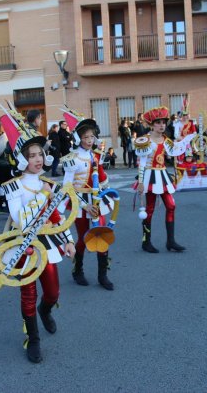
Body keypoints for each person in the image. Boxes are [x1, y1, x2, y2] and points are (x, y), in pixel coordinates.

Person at [0, 115, 76, 363]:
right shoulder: (13, 187)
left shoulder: (46, 183)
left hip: (48, 243)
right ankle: (33, 338)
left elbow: (55, 214)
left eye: (39, 153)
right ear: (22, 159)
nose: (38, 159)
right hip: (25, 246)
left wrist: (68, 240)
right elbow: (21, 220)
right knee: (28, 294)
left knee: (52, 291)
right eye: (31, 155)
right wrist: (42, 196)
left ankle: (46, 310)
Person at [62, 117, 116, 290]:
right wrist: (84, 205)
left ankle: (103, 275)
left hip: (97, 201)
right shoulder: (71, 158)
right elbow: (67, 187)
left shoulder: (95, 155)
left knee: (101, 234)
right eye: (85, 137)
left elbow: (101, 178)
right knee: (84, 239)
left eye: (91, 137)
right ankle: (77, 270)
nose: (89, 140)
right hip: (81, 203)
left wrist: (107, 187)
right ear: (78, 138)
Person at [136, 106, 192, 254]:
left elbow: (176, 150)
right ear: (151, 124)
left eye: (163, 122)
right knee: (149, 210)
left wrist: (188, 139)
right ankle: (146, 242)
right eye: (158, 122)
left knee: (171, 206)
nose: (162, 125)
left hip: (162, 175)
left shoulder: (166, 140)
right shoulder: (145, 140)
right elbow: (141, 163)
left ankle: (171, 241)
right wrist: (141, 182)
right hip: (149, 177)